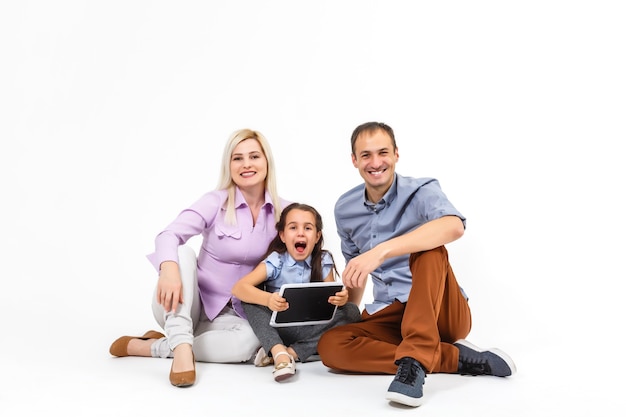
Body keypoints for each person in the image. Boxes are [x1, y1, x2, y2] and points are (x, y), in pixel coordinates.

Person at [317, 122, 516, 407]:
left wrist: (382, 251)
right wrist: (347, 309)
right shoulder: (345, 208)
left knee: (428, 250)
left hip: (441, 312)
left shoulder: (421, 190)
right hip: (392, 314)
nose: (375, 163)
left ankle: (415, 361)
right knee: (331, 347)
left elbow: (454, 226)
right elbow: (356, 273)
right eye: (366, 155)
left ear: (396, 154)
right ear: (354, 160)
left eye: (383, 152)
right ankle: (452, 358)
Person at [109, 128, 290, 387]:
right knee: (182, 252)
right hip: (184, 303)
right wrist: (169, 269)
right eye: (237, 158)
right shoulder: (215, 201)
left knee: (250, 343)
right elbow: (168, 235)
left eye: (254, 156)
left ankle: (156, 346)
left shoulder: (284, 212)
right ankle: (181, 348)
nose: (246, 164)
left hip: (234, 314)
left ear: (267, 161)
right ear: (229, 165)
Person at [232, 203, 361, 382]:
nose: (300, 233)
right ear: (283, 236)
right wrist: (268, 299)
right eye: (293, 228)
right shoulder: (276, 261)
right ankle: (279, 352)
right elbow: (239, 288)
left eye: (307, 228)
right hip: (277, 328)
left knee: (352, 311)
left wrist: (341, 299)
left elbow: (331, 299)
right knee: (249, 301)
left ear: (317, 237)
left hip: (311, 328)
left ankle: (293, 352)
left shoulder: (323, 260)